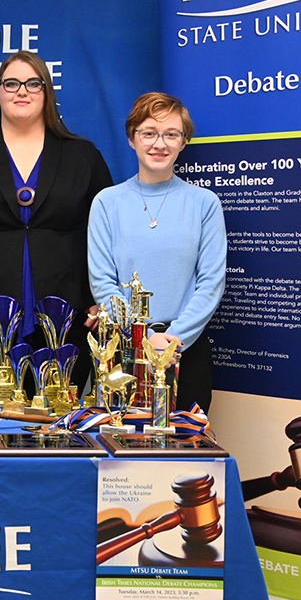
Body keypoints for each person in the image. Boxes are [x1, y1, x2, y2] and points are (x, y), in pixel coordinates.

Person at [0, 51, 113, 389]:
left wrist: (101, 300)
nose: (22, 91)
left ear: (47, 93)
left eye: (34, 83)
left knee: (59, 423)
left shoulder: (83, 157)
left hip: (70, 317)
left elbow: (108, 237)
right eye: (12, 83)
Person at [86, 92, 226, 413]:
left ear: (183, 142)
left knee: (185, 454)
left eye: (171, 134)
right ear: (132, 139)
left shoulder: (205, 204)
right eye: (148, 133)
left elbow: (211, 283)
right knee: (119, 453)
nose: (159, 144)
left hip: (185, 351)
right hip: (122, 351)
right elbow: (103, 282)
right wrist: (142, 337)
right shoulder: (107, 203)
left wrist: (172, 338)